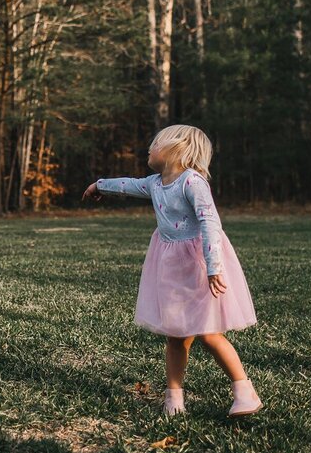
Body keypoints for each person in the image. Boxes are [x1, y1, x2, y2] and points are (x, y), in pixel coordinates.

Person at [82, 124, 262, 418]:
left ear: (176, 149)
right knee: (176, 335)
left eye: (154, 144)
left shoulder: (192, 182)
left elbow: (210, 223)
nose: (148, 150)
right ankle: (174, 398)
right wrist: (99, 185)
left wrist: (214, 267)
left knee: (209, 333)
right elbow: (129, 185)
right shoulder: (155, 183)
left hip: (200, 264)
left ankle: (244, 391)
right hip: (170, 266)